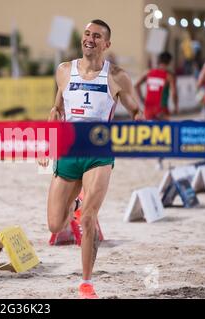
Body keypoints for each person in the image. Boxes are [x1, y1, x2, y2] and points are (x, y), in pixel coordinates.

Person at [38, 19, 144, 299]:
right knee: (55, 224)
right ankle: (74, 202)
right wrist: (47, 145)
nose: (90, 39)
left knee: (88, 219)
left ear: (106, 44)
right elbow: (56, 110)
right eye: (87, 34)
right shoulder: (64, 71)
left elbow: (135, 110)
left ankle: (86, 283)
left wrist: (137, 123)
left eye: (97, 36)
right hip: (68, 153)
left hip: (99, 155)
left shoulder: (118, 76)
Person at [135, 51, 178, 120]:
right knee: (166, 129)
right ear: (169, 62)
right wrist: (176, 107)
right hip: (161, 109)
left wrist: (142, 99)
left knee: (150, 129)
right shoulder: (168, 76)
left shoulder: (148, 73)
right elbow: (174, 93)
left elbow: (137, 85)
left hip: (148, 107)